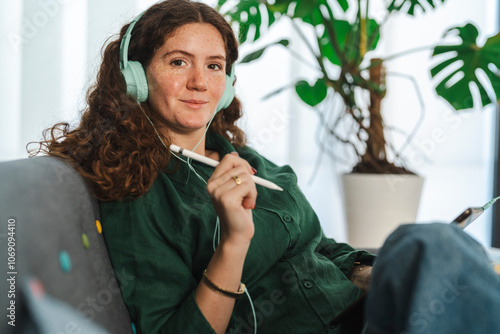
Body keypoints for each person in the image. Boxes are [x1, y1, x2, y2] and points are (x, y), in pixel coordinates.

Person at [30, 0, 500, 333]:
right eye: (178, 62)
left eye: (215, 66)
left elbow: (318, 246)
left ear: (229, 83)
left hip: (366, 310)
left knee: (425, 248)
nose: (199, 82)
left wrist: (372, 273)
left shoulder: (243, 160)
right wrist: (235, 241)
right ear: (135, 76)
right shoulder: (135, 192)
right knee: (430, 243)